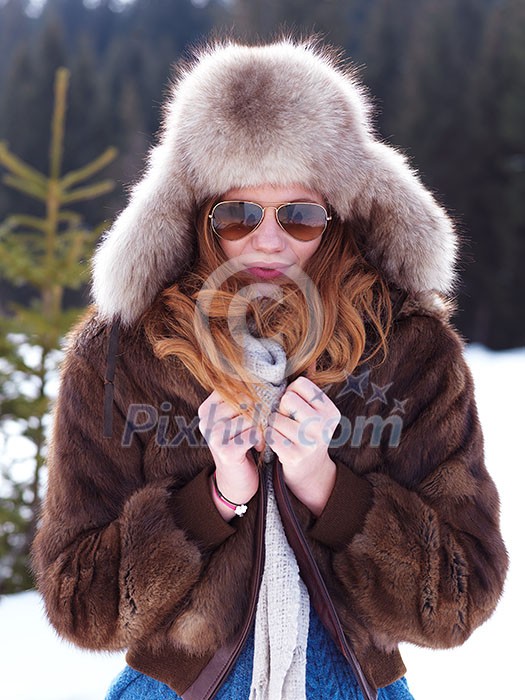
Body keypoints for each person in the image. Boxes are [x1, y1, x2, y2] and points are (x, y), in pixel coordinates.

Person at [31, 38, 508, 700]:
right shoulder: (119, 358)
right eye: (238, 212)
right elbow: (79, 605)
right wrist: (212, 500)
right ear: (197, 215)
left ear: (340, 216)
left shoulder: (411, 353)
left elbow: (459, 600)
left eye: (300, 214)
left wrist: (326, 487)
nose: (268, 237)